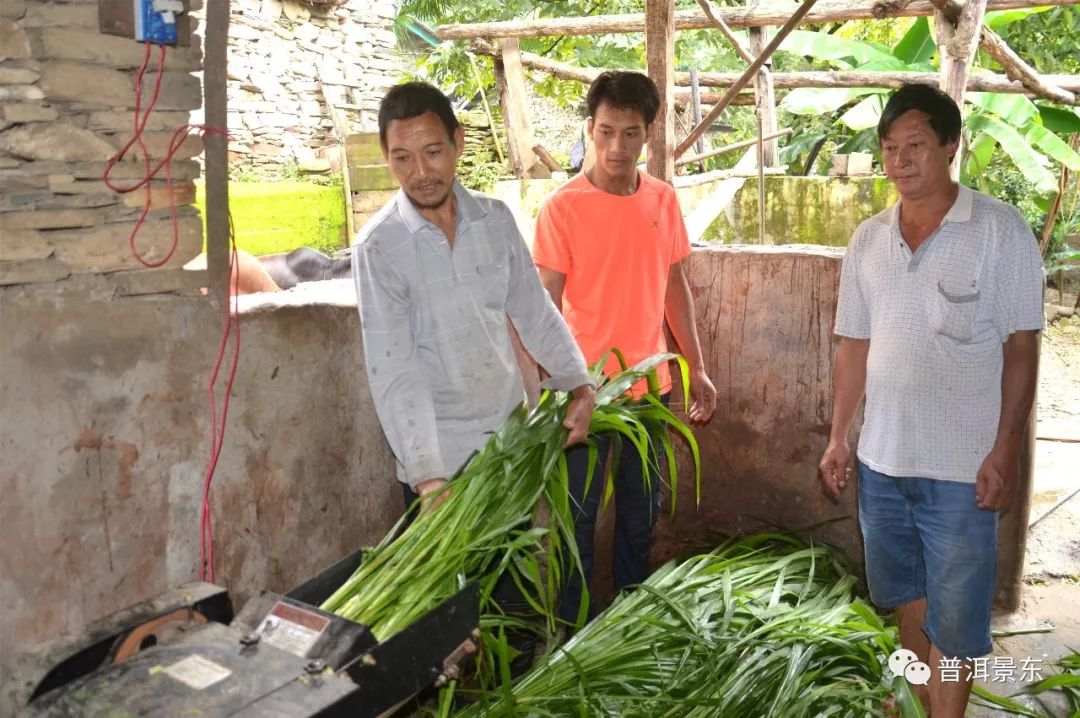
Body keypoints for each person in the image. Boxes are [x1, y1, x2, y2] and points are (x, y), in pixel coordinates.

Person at [818, 83, 1043, 718]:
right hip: (882, 463)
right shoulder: (868, 239)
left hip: (963, 471)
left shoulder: (999, 230)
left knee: (958, 622)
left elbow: (1022, 348)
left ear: (950, 145)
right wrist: (839, 438)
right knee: (908, 601)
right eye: (889, 147)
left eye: (915, 144)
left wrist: (1004, 451)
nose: (900, 160)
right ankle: (918, 704)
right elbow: (853, 345)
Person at [352, 80, 596, 513]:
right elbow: (394, 368)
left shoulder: (495, 220)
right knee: (451, 563)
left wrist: (580, 386)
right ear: (386, 156)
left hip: (508, 442)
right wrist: (428, 477)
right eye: (402, 158)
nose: (420, 173)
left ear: (458, 142)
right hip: (439, 463)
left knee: (513, 559)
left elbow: (535, 311)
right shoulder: (378, 247)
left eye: (433, 152)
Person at [532, 71, 717, 628]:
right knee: (577, 521)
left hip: (650, 391)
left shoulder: (662, 199)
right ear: (590, 129)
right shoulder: (562, 207)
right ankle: (575, 632)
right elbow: (545, 307)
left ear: (648, 135)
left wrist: (697, 367)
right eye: (606, 131)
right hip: (584, 394)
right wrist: (555, 389)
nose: (617, 146)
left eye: (630, 133)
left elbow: (674, 287)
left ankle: (630, 624)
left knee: (642, 514)